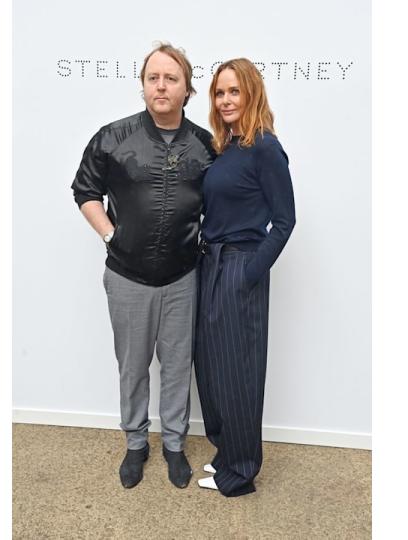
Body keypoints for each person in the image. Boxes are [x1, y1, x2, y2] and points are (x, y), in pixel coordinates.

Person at [71, 43, 215, 489]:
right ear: (143, 85)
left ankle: (174, 444)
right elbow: (85, 191)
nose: (161, 85)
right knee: (132, 365)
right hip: (127, 276)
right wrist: (112, 236)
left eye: (171, 78)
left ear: (187, 89)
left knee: (177, 364)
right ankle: (136, 443)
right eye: (153, 77)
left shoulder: (206, 146)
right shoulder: (113, 137)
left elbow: (223, 200)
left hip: (183, 276)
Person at [193, 58, 296, 496]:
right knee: (213, 371)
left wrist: (249, 273)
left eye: (234, 91)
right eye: (219, 92)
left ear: (251, 93)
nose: (226, 99)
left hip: (239, 266)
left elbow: (285, 220)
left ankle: (241, 472)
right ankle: (227, 453)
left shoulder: (265, 147)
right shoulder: (227, 147)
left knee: (239, 372)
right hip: (210, 263)